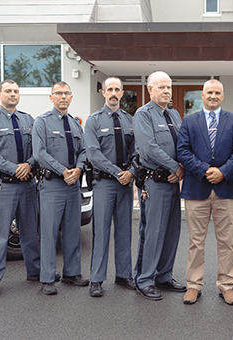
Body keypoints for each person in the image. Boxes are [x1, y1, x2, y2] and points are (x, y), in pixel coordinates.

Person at [177, 79, 233, 305]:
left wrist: (223, 172)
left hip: (226, 189)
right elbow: (183, 151)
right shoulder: (188, 121)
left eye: (217, 92)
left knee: (226, 241)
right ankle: (193, 286)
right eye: (209, 92)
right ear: (202, 95)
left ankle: (227, 285)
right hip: (197, 187)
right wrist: (206, 170)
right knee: (196, 242)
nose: (213, 96)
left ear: (223, 96)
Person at [0, 79, 41, 299]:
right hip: (3, 185)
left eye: (15, 91)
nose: (12, 94)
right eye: (8, 91)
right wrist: (15, 169)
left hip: (28, 185)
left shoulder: (29, 120)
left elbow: (39, 149)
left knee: (31, 233)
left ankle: (35, 272)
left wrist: (29, 165)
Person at [133, 71, 186, 300]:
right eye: (161, 87)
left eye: (169, 87)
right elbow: (148, 148)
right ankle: (144, 279)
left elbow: (185, 142)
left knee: (172, 231)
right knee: (152, 232)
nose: (166, 91)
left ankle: (164, 275)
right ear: (150, 90)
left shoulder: (174, 114)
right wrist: (176, 166)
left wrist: (182, 165)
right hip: (154, 183)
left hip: (174, 182)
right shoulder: (143, 114)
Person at [33, 81, 88, 295]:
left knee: (72, 230)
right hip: (52, 185)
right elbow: (40, 153)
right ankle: (47, 278)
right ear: (51, 97)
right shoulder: (42, 122)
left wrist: (79, 169)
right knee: (49, 233)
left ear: (71, 97)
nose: (63, 97)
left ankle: (72, 273)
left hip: (73, 185)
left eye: (67, 93)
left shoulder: (75, 124)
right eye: (59, 93)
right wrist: (63, 171)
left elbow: (83, 151)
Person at [84, 77, 136, 297]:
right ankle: (96, 279)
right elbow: (93, 154)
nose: (113, 93)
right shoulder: (93, 121)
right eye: (109, 89)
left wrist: (131, 172)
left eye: (117, 89)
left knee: (125, 231)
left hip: (125, 184)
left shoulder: (130, 120)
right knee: (101, 232)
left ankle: (124, 275)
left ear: (122, 93)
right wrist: (118, 173)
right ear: (103, 92)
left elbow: (138, 150)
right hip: (104, 182)